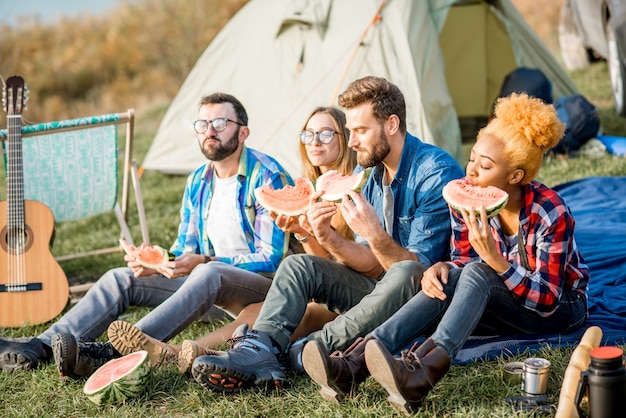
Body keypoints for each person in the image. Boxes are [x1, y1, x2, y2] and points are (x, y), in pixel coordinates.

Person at [302, 93, 590, 414]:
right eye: (472, 159)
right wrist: (444, 267)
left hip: (559, 309)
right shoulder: (465, 200)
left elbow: (547, 299)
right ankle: (356, 361)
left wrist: (495, 260)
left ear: (515, 176)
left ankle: (422, 373)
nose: (471, 173)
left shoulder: (549, 211)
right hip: (503, 299)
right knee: (449, 276)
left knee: (481, 272)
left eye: (485, 166)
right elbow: (465, 261)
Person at [190, 76, 465, 393]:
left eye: (360, 131)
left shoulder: (433, 171)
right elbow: (371, 266)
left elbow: (418, 273)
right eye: (350, 131)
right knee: (298, 266)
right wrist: (326, 236)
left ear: (391, 124)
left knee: (405, 271)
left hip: (421, 299)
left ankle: (305, 351)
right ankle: (260, 348)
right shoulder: (369, 173)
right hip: (378, 289)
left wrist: (374, 234)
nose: (352, 142)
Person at [0, 93, 294, 378]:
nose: (209, 131)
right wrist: (158, 264)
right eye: (202, 125)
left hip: (261, 296)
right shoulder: (198, 180)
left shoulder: (268, 176)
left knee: (210, 271)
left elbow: (272, 258)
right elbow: (185, 249)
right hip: (208, 290)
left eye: (220, 123)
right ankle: (41, 347)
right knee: (122, 277)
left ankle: (112, 352)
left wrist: (204, 260)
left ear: (243, 133)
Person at [104, 106, 357, 374]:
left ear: (347, 139)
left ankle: (164, 352)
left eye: (327, 134)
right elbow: (317, 264)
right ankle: (182, 353)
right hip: (304, 285)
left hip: (339, 294)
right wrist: (301, 230)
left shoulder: (356, 188)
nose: (315, 142)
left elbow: (328, 270)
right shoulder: (307, 186)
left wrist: (307, 233)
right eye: (308, 134)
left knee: (293, 311)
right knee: (260, 311)